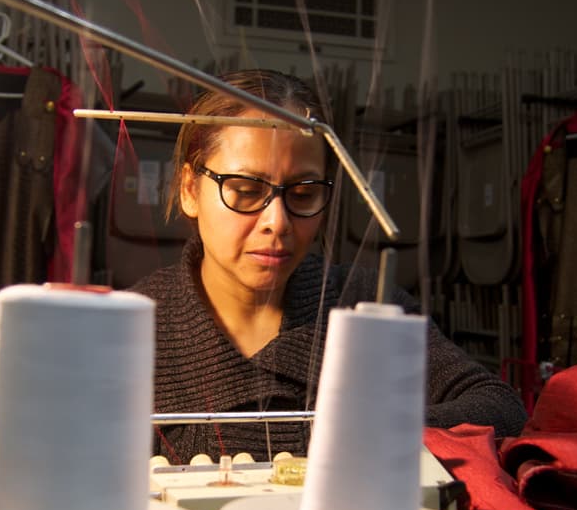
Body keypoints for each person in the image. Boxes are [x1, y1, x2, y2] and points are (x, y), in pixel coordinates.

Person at [128, 69, 526, 463]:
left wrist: (369, 432)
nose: (277, 222)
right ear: (189, 190)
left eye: (303, 194)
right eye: (246, 191)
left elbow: (499, 407)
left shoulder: (363, 303)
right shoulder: (133, 327)